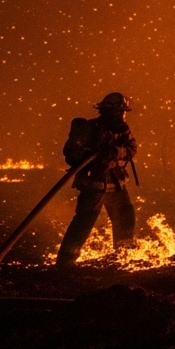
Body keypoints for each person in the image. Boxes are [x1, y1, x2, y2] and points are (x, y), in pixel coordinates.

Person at [55, 92, 139, 267]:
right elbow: (71, 153)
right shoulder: (87, 128)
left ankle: (123, 256)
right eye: (118, 112)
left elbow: (132, 148)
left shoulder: (123, 130)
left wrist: (117, 151)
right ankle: (66, 260)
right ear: (106, 111)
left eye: (123, 112)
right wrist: (91, 155)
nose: (122, 116)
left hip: (116, 181)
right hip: (94, 182)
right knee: (85, 220)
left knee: (125, 215)